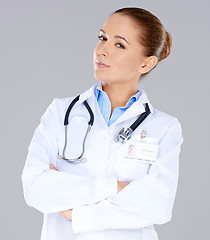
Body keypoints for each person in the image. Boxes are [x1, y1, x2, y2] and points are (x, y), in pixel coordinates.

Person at [21, 7, 184, 240]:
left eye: (119, 45)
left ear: (146, 64)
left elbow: (157, 204)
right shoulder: (60, 113)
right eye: (102, 38)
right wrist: (117, 188)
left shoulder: (165, 128)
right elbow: (35, 188)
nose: (102, 50)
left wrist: (74, 214)